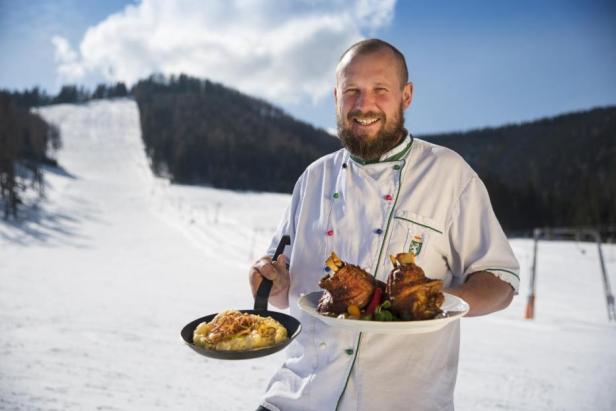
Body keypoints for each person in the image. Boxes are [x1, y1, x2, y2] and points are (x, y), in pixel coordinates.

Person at [249, 38, 519, 411]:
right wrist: (272, 281)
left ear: (406, 95)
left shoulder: (448, 174)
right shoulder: (313, 178)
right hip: (296, 396)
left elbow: (501, 281)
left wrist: (436, 301)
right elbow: (283, 291)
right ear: (335, 96)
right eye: (352, 91)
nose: (364, 105)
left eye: (380, 90)